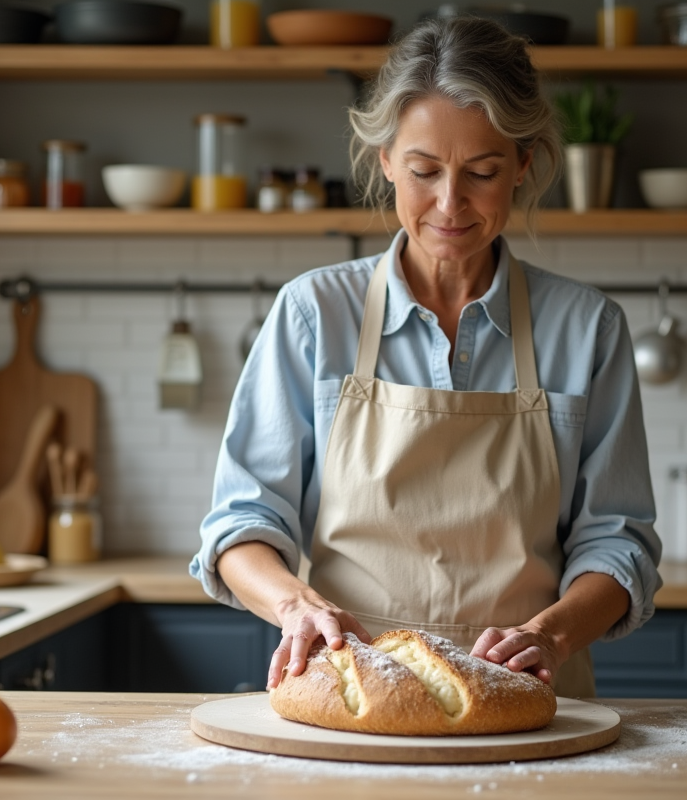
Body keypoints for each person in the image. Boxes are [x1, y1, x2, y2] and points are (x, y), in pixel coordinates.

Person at [190, 16, 661, 698]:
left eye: (483, 171)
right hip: (354, 692)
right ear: (385, 160)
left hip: (527, 697)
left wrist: (552, 635)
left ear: (524, 166)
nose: (449, 203)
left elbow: (619, 544)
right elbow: (240, 524)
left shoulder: (587, 329)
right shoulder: (313, 314)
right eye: (423, 170)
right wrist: (295, 604)